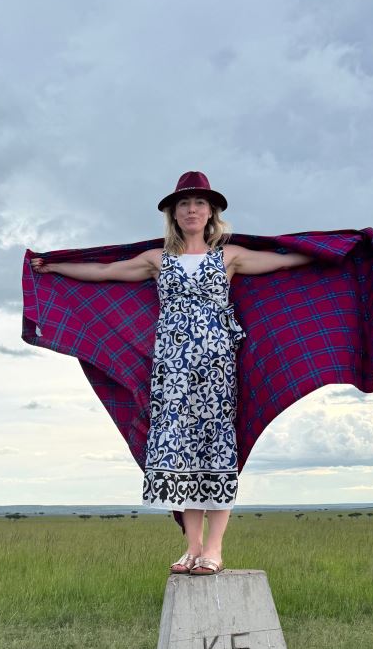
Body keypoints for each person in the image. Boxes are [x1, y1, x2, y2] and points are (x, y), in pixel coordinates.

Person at [31, 172, 313, 575]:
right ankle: (193, 548)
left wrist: (335, 253)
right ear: (174, 214)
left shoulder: (228, 257)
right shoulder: (156, 261)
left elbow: (286, 260)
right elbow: (106, 271)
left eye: (199, 203)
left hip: (216, 365)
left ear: (211, 211)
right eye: (184, 204)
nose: (192, 210)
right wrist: (56, 267)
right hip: (171, 368)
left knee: (215, 448)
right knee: (179, 450)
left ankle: (214, 550)